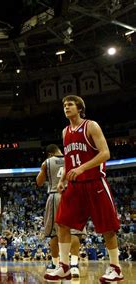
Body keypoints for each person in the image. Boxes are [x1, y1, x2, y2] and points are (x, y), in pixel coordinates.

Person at [44, 95, 123, 282]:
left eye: (70, 104)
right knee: (62, 223)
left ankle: (116, 268)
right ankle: (64, 266)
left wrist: (82, 168)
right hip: (75, 185)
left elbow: (105, 153)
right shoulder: (65, 132)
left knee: (108, 227)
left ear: (80, 108)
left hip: (95, 182)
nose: (66, 107)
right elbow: (70, 159)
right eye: (64, 105)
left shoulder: (91, 126)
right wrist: (63, 178)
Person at [36, 144, 84, 278]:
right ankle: (74, 266)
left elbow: (39, 182)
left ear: (49, 154)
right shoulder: (72, 158)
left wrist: (44, 169)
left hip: (55, 195)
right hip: (74, 194)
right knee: (74, 231)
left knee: (54, 233)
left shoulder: (47, 162)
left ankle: (57, 265)